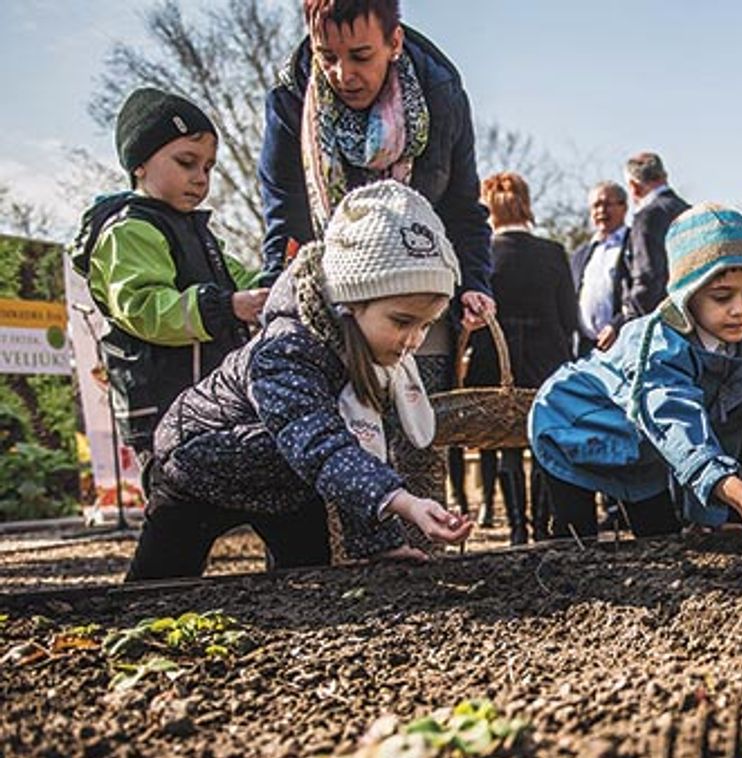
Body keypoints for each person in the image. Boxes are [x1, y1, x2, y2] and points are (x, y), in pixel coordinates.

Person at [126, 181, 473, 581]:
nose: (413, 340)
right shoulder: (286, 350)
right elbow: (322, 445)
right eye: (402, 321)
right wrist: (402, 502)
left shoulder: (367, 355)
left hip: (286, 480)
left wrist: (381, 544)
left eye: (425, 327)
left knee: (309, 580)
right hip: (197, 467)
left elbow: (358, 448)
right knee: (155, 588)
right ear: (349, 304)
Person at [258, 0, 491, 517]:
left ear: (395, 42)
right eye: (328, 56)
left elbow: (462, 206)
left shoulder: (441, 95)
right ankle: (348, 558)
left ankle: (424, 546)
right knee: (334, 433)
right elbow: (285, 214)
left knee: (415, 440)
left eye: (361, 55)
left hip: (418, 284)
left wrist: (475, 281)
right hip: (333, 299)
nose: (344, 74)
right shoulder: (290, 100)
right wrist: (282, 301)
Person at [530, 203, 742, 536]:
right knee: (575, 542)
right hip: (571, 425)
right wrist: (735, 491)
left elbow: (721, 431)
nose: (740, 310)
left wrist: (708, 517)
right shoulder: (656, 343)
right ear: (688, 295)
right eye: (722, 296)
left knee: (661, 535)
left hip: (643, 452)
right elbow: (674, 419)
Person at [79, 87, 267, 459]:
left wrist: (279, 286)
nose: (201, 178)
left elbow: (238, 280)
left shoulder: (198, 234)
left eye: (208, 167)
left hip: (212, 407)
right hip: (164, 414)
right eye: (187, 162)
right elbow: (145, 309)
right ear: (140, 164)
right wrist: (227, 308)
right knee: (182, 512)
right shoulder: (128, 232)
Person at [464, 172, 577, 544]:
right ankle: (542, 525)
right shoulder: (553, 253)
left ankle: (515, 529)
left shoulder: (483, 258)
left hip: (496, 363)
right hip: (548, 361)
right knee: (542, 443)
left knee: (506, 444)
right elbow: (569, 319)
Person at [618, 152, 690, 330]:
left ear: (633, 186)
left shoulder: (647, 216)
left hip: (657, 326)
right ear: (664, 176)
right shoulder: (690, 212)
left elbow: (647, 277)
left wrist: (630, 318)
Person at [570, 181, 629, 354]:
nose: (601, 211)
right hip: (585, 348)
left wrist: (617, 325)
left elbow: (640, 296)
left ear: (624, 207)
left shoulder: (634, 245)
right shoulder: (580, 254)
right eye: (596, 205)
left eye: (607, 204)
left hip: (622, 344)